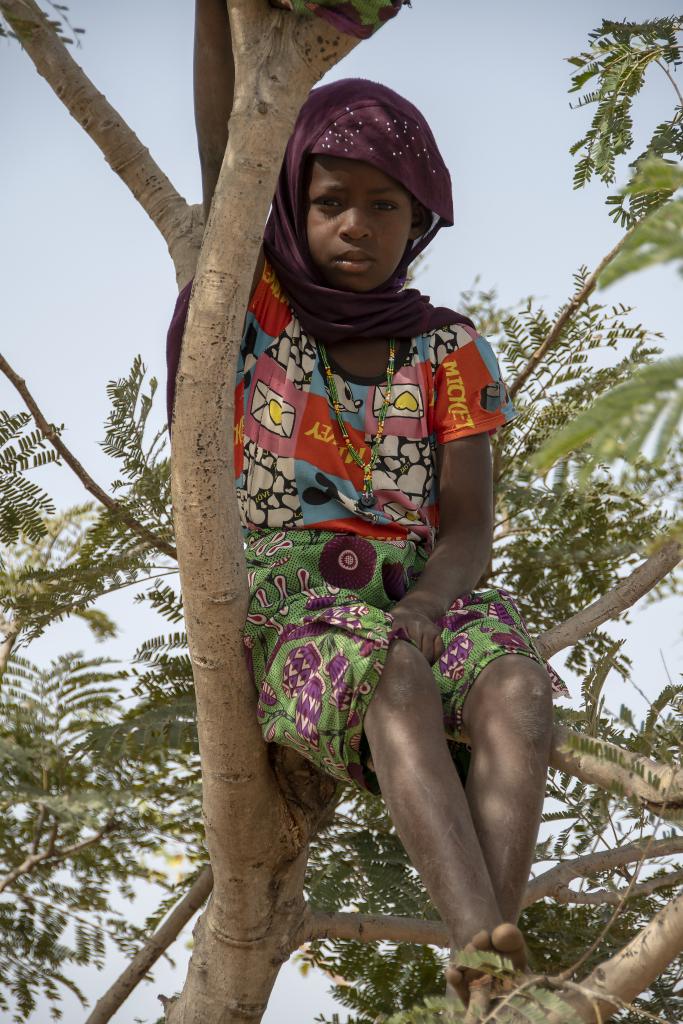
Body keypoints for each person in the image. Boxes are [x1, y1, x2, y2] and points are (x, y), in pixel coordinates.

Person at [167, 0, 569, 1005]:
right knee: (390, 677)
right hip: (289, 605)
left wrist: (429, 610)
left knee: (517, 687)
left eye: (384, 206)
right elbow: (233, 141)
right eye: (331, 199)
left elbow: (469, 525)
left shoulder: (447, 348)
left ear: (419, 220)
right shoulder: (255, 301)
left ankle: (483, 970)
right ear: (294, 204)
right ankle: (488, 957)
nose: (356, 223)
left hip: (422, 589)